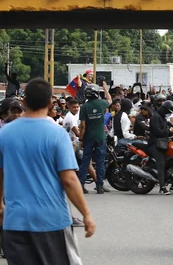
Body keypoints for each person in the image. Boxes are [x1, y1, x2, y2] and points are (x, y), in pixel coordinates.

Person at [0, 78, 94, 264]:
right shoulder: (57, 134)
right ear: (51, 103)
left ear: (24, 102)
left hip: (15, 221)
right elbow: (69, 180)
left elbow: (0, 172)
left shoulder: (4, 134)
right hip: (51, 221)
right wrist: (86, 214)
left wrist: (0, 204)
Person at [77, 85, 111, 195]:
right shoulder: (102, 103)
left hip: (88, 138)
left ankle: (81, 185)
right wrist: (105, 87)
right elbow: (110, 100)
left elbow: (82, 125)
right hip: (101, 137)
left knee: (85, 162)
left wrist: (81, 139)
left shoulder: (84, 107)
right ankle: (99, 186)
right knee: (100, 162)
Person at [149, 99, 173, 195]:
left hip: (163, 144)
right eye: (168, 112)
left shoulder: (163, 117)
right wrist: (169, 131)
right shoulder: (155, 117)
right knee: (161, 163)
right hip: (155, 144)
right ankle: (162, 187)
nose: (168, 114)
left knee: (170, 161)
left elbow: (166, 127)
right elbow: (158, 132)